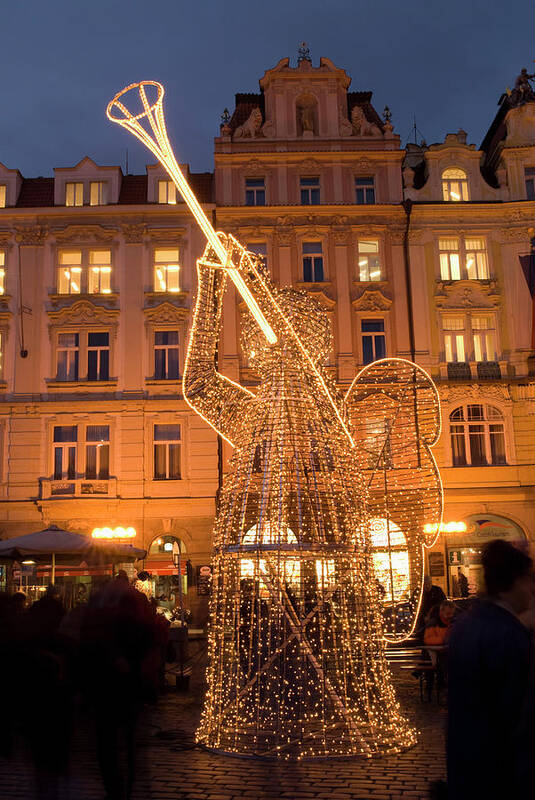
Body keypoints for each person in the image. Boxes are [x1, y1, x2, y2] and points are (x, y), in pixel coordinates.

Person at [447, 539, 535, 800]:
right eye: (529, 581)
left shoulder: (466, 623)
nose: (532, 590)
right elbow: (519, 717)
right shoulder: (508, 634)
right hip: (499, 774)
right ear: (516, 582)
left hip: (466, 767)